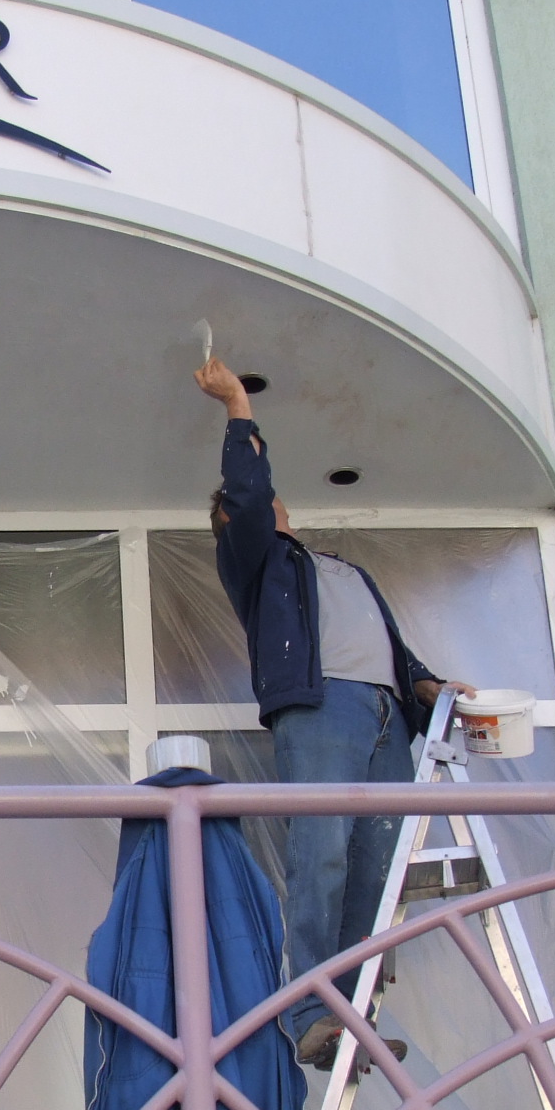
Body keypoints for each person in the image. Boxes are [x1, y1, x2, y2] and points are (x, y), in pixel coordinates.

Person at [198, 357, 465, 1070]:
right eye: (247, 507)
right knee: (320, 853)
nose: (264, 505)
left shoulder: (341, 570)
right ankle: (312, 1010)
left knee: (377, 867)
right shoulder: (259, 565)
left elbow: (389, 646)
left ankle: (351, 1015)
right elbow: (249, 493)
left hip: (386, 715)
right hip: (323, 707)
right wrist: (238, 407)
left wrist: (427, 686)